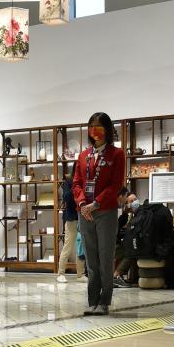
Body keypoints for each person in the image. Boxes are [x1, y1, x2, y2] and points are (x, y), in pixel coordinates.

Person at [73, 112, 125, 316]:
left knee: (105, 257)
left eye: (99, 126)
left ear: (108, 129)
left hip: (105, 212)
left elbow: (116, 185)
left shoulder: (116, 154)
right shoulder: (83, 155)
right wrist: (82, 203)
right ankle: (92, 300)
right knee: (91, 260)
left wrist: (95, 204)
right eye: (91, 126)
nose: (94, 130)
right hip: (84, 212)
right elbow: (76, 183)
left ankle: (104, 302)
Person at [57, 173, 86, 284]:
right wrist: (75, 187)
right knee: (68, 246)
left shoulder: (84, 181)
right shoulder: (69, 181)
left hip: (82, 218)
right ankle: (60, 273)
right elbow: (66, 197)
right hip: (71, 219)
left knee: (81, 246)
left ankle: (80, 274)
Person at [114, 190, 138, 287]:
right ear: (127, 204)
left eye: (135, 199)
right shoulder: (124, 217)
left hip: (128, 243)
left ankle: (130, 278)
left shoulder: (139, 214)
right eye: (131, 201)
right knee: (130, 253)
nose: (135, 202)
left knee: (132, 251)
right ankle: (116, 276)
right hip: (118, 244)